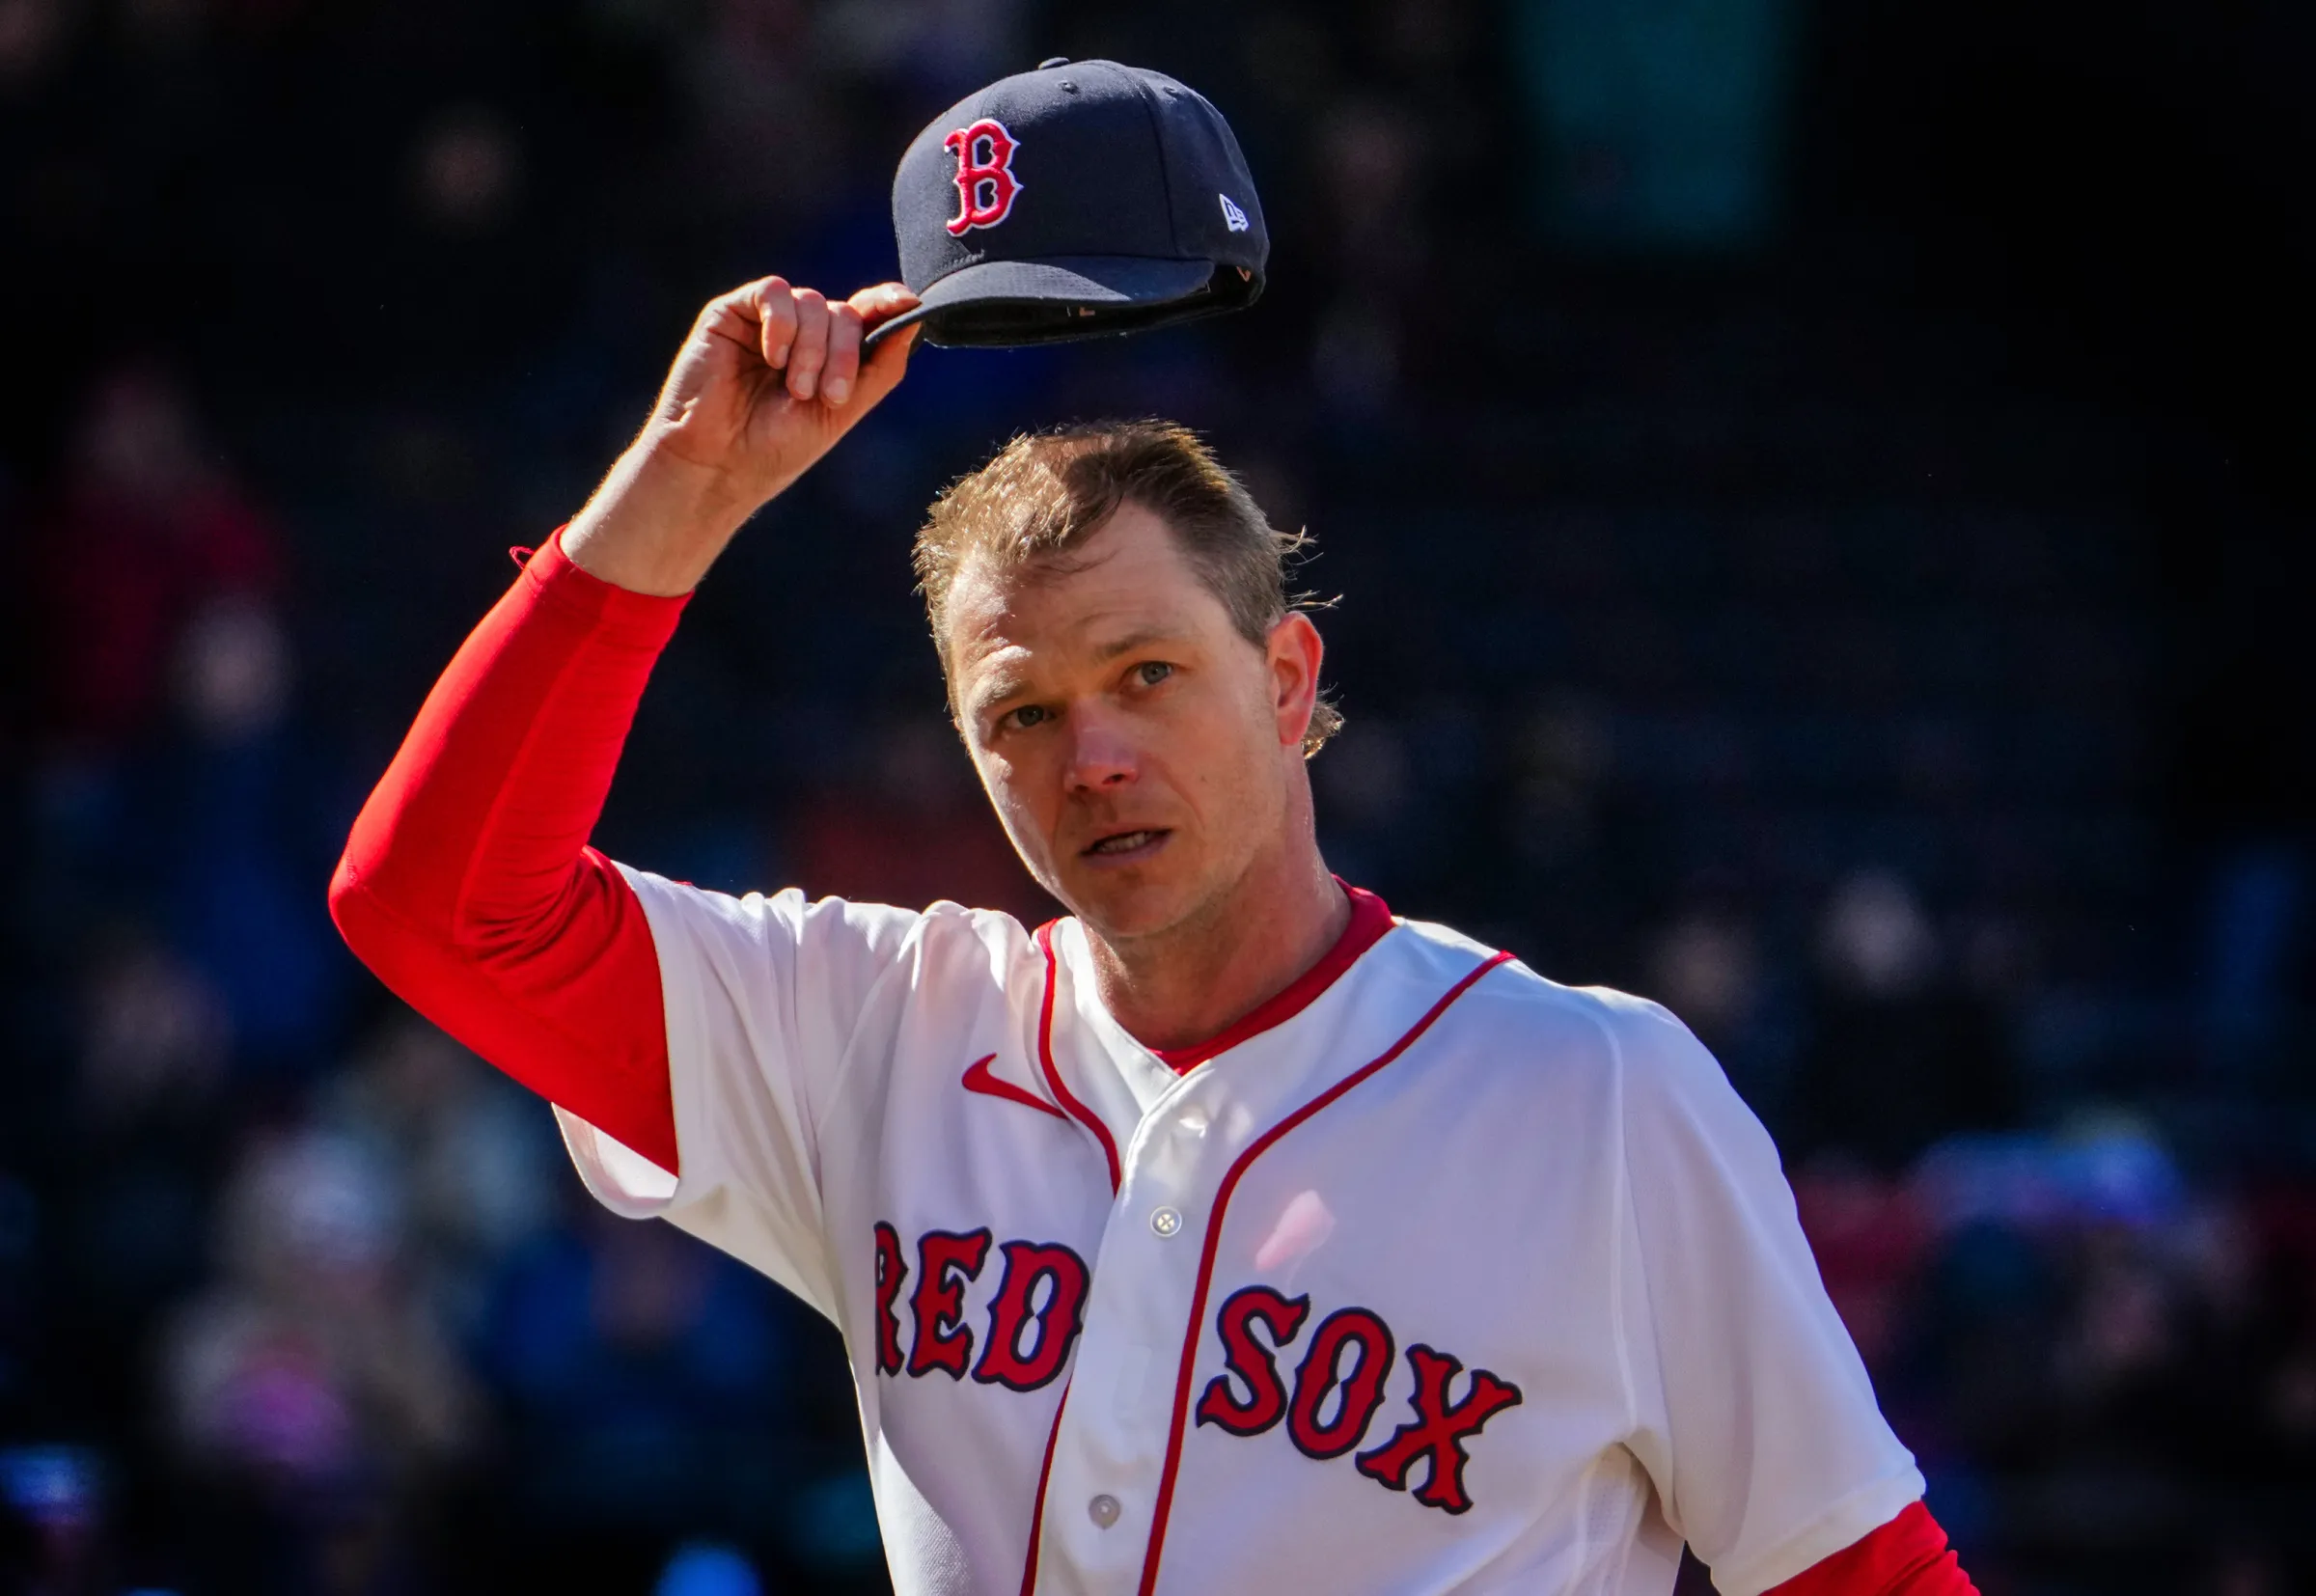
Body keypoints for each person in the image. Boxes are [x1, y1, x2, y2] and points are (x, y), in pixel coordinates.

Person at [331, 276, 1975, 1595]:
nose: (1091, 755)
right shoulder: (880, 1025)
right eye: (1021, 712)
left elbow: (1862, 1569)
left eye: (1147, 675)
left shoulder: (1594, 1093)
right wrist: (679, 495)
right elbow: (439, 906)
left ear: (1288, 684)